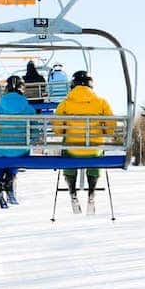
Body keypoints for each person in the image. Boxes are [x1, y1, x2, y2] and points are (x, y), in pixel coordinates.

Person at [52, 69, 116, 215]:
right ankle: (91, 192)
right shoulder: (101, 102)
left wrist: (64, 131)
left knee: (67, 151)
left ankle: (72, 191)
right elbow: (110, 128)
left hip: (73, 149)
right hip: (94, 149)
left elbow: (57, 129)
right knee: (97, 152)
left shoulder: (65, 103)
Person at [0, 75, 36, 208]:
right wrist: (32, 139)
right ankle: (9, 179)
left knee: (0, 152)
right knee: (17, 152)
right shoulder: (28, 108)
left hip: (1, 149)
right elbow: (36, 131)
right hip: (20, 150)